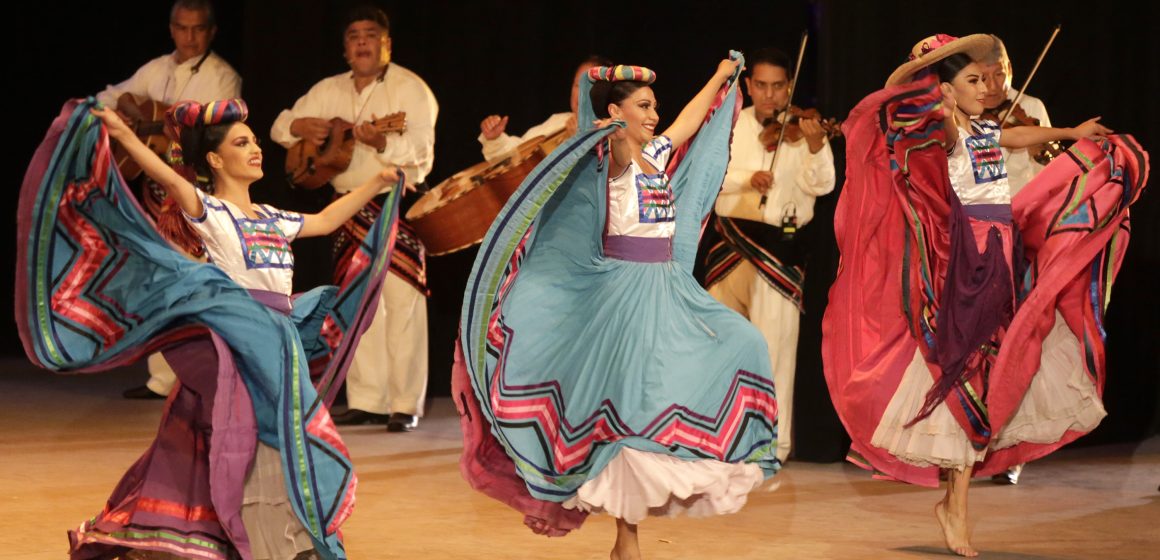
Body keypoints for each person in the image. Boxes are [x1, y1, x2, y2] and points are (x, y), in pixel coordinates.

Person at [18, 96, 406, 559]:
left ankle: (277, 538)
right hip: (239, 342)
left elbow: (324, 221)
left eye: (256, 140)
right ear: (217, 159)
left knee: (264, 439)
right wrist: (122, 137)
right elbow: (167, 179)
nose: (257, 148)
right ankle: (275, 543)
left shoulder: (273, 218)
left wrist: (376, 184)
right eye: (243, 142)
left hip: (279, 342)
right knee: (264, 438)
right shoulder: (214, 213)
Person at [823, 33, 1148, 557]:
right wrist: (932, 93)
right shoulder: (947, 130)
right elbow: (938, 130)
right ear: (947, 92)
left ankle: (955, 503)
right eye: (972, 80)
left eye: (986, 78)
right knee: (964, 379)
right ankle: (956, 508)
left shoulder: (986, 129)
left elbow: (1017, 140)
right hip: (964, 267)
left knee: (991, 380)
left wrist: (1071, 131)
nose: (986, 87)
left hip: (1001, 260)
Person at [454, 54, 780, 560]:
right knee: (630, 416)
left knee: (742, 342)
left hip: (668, 290)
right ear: (617, 113)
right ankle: (626, 540)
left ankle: (632, 533)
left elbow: (690, 120)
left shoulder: (657, 155)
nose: (654, 116)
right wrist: (600, 104)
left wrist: (719, 77)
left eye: (655, 106)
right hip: (625, 297)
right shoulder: (616, 159)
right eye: (644, 107)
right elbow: (611, 129)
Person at [272, 5, 437, 433]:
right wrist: (301, 127)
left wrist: (383, 143)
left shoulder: (411, 90)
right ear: (345, 48)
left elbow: (422, 152)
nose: (362, 42)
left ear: (387, 44)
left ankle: (405, 403)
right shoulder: (327, 89)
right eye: (353, 36)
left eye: (370, 35)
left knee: (402, 302)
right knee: (360, 303)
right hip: (346, 208)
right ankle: (368, 399)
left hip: (392, 203)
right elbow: (278, 126)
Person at [100, 0, 243, 401]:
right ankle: (162, 379)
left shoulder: (222, 76)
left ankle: (202, 376)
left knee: (196, 283)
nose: (190, 37)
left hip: (198, 193)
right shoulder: (156, 69)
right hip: (157, 195)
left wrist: (160, 124)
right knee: (160, 281)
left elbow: (216, 127)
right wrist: (125, 114)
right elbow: (111, 96)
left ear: (212, 32)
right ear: (171, 28)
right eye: (182, 28)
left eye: (199, 29)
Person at [704, 47, 836, 462]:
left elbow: (823, 185)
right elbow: (711, 175)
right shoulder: (730, 124)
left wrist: (815, 148)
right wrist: (747, 179)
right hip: (730, 244)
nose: (769, 95)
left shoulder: (803, 129)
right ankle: (716, 436)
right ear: (748, 85)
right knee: (717, 346)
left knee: (774, 348)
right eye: (760, 85)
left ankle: (770, 447)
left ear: (789, 87)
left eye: (778, 86)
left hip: (779, 247)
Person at [477, 55, 611, 162]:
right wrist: (495, 139)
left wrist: (580, 145)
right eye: (577, 85)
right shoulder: (559, 121)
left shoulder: (614, 135)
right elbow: (518, 155)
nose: (581, 93)